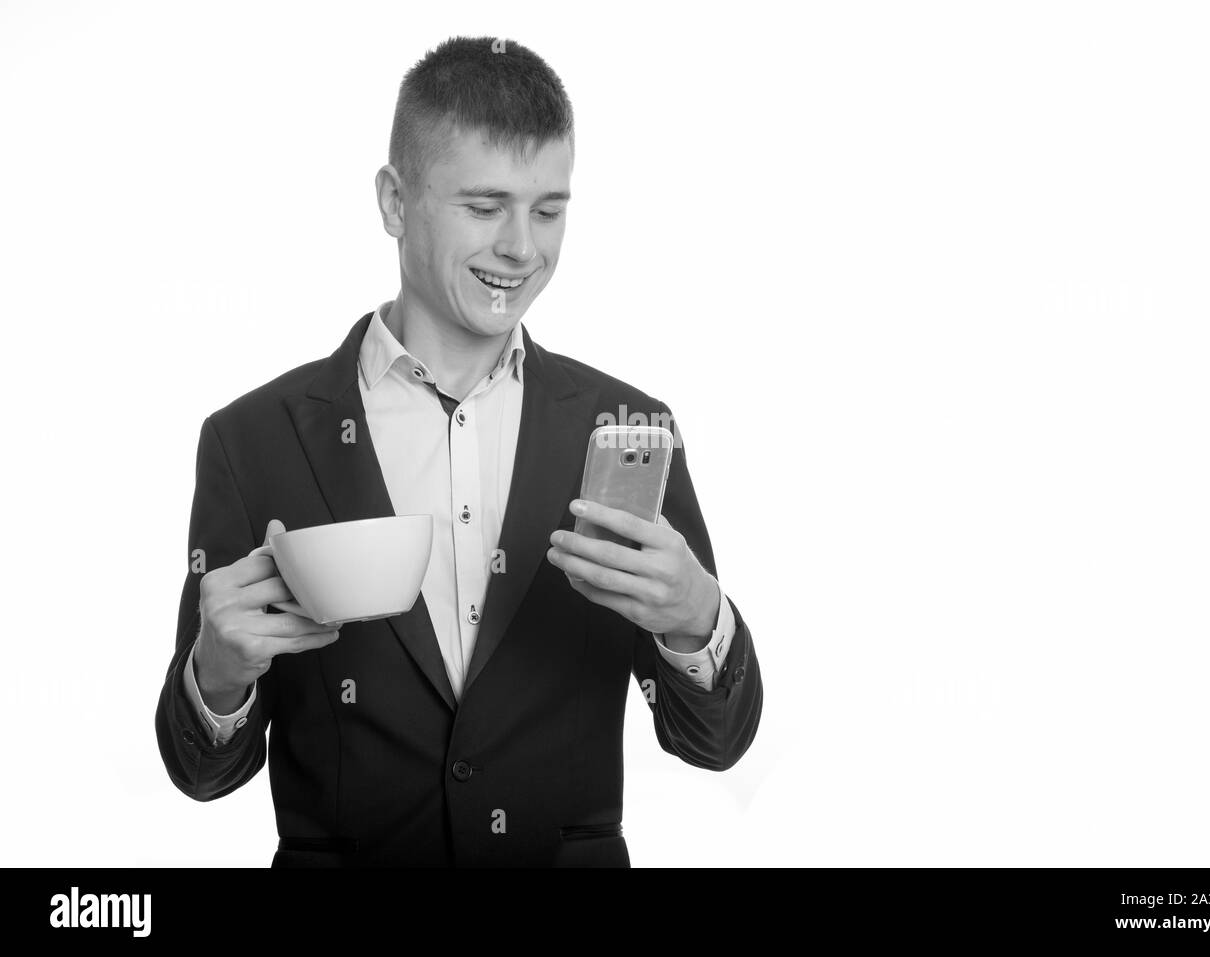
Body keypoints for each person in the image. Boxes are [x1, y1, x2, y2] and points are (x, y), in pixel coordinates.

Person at [155, 35, 762, 867]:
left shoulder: (627, 426)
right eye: (485, 207)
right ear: (396, 203)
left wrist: (698, 622)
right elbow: (200, 771)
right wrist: (216, 672)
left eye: (549, 209)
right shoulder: (251, 439)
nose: (523, 246)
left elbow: (715, 744)